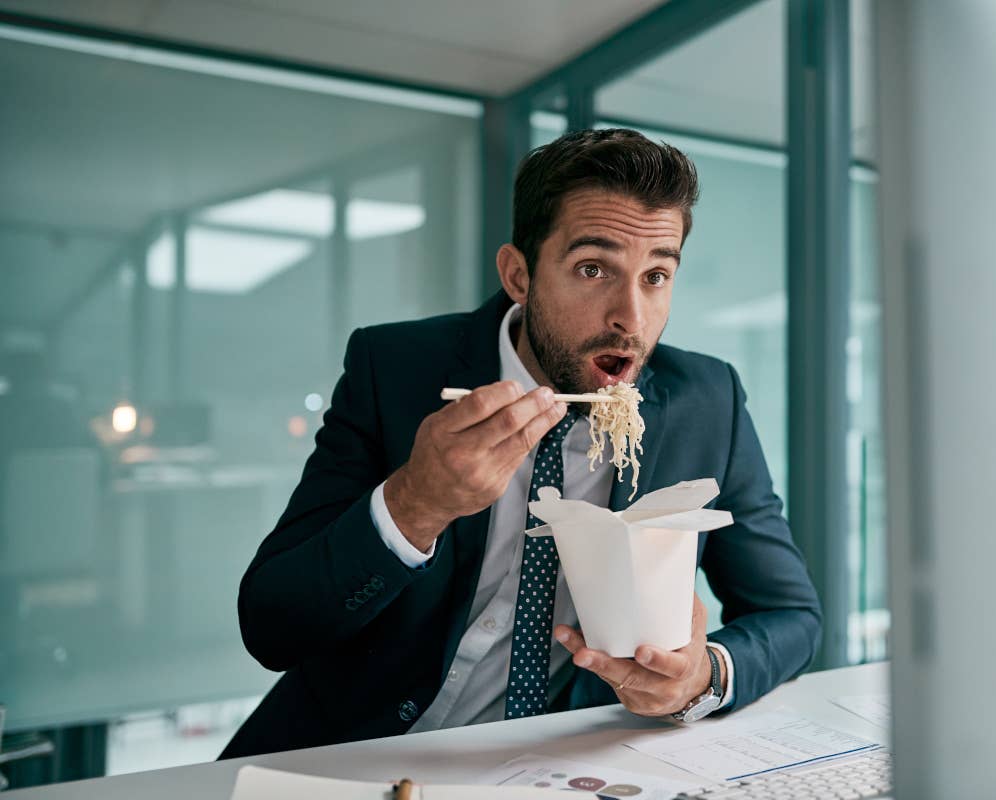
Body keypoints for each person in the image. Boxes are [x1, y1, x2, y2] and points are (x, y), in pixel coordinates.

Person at [220, 128, 821, 758]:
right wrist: (415, 504)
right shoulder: (394, 370)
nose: (631, 318)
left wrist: (703, 677)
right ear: (519, 275)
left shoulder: (708, 399)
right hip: (349, 756)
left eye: (655, 276)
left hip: (554, 769)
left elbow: (793, 616)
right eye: (593, 269)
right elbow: (273, 627)